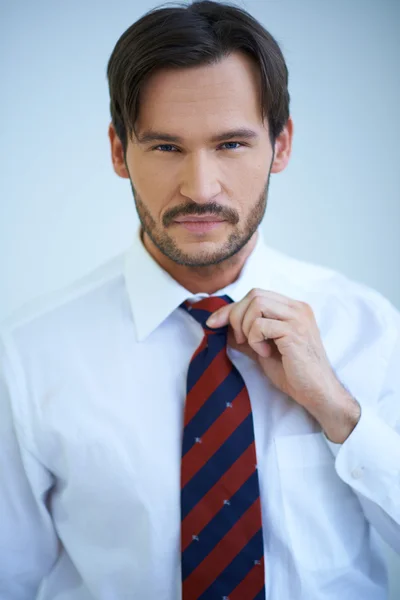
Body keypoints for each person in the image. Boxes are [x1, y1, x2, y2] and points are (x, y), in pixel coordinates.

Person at [1, 0, 399, 598]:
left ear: (281, 145)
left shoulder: (367, 327)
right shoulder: (27, 355)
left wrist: (341, 414)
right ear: (118, 152)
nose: (201, 188)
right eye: (165, 147)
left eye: (232, 145)